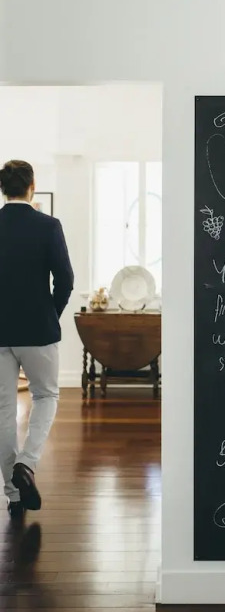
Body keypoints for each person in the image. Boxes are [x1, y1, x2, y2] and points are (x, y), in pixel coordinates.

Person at [0, 160, 74, 518]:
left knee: (3, 410)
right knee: (46, 396)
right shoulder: (48, 226)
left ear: (3, 189)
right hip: (38, 331)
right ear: (31, 186)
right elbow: (66, 280)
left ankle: (13, 496)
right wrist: (50, 313)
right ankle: (26, 464)